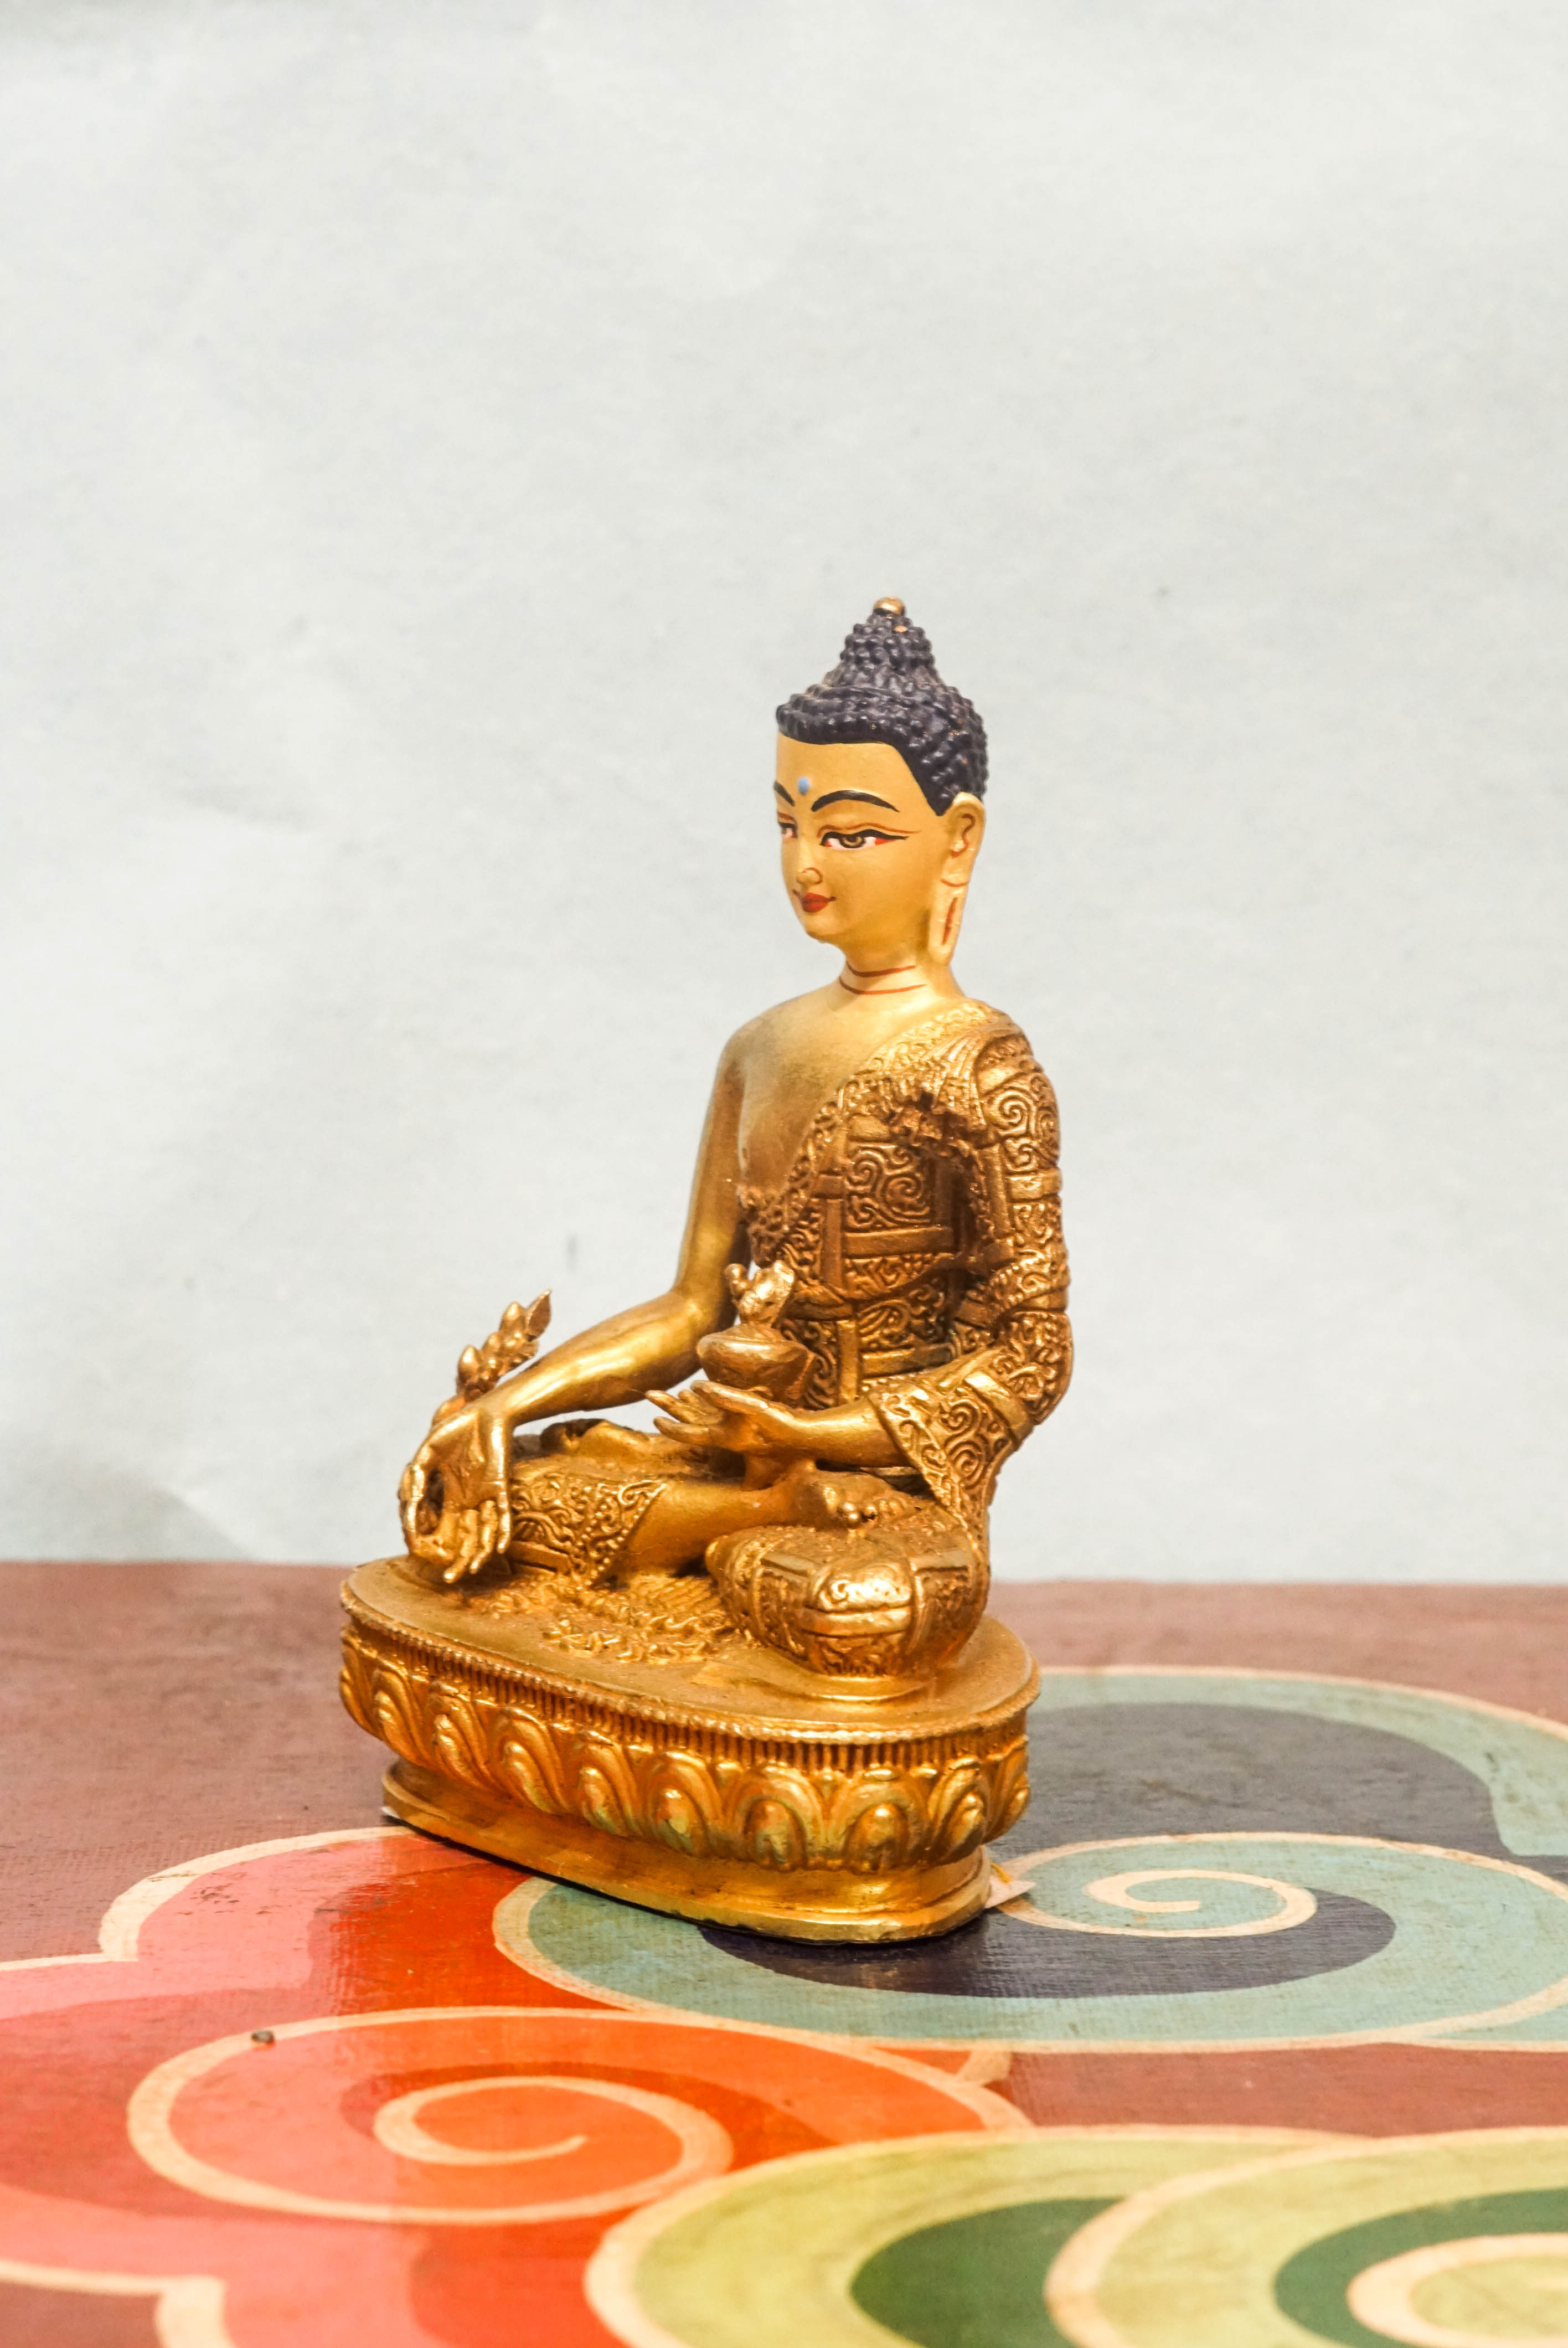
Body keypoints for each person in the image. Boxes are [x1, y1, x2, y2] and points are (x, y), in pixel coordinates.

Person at [398, 599, 1070, 1677]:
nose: (810, 860)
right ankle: (731, 1519)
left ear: (960, 838)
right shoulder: (759, 1047)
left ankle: (758, 1523)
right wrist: (497, 1406)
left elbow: (1031, 1358)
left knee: (859, 1607)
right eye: (788, 823)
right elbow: (689, 1310)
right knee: (483, 1484)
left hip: (877, 1489)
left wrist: (821, 1437)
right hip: (731, 1453)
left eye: (854, 832)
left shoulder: (982, 1065)